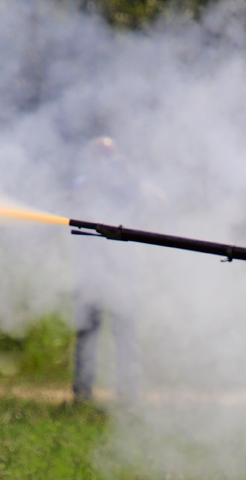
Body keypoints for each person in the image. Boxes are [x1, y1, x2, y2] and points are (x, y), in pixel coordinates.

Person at [70, 136, 142, 403]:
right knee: (86, 333)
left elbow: (147, 202)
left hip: (122, 272)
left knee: (125, 335)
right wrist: (97, 180)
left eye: (108, 157)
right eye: (98, 157)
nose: (103, 162)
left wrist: (127, 176)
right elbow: (73, 200)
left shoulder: (127, 184)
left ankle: (129, 392)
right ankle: (82, 392)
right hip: (89, 273)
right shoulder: (82, 183)